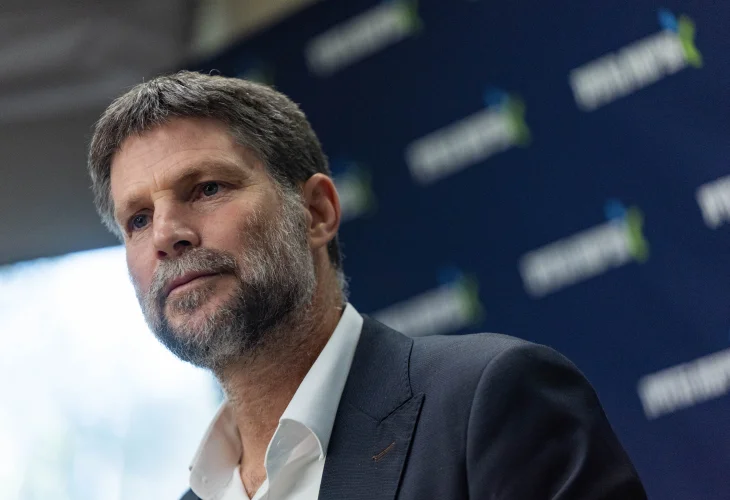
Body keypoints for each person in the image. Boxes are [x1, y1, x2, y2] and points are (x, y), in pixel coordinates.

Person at [87, 71, 647, 500]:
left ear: (316, 212)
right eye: (138, 219)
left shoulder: (489, 401)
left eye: (207, 188)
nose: (166, 235)